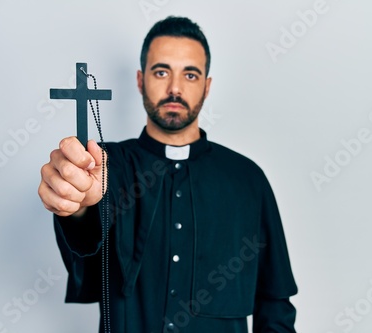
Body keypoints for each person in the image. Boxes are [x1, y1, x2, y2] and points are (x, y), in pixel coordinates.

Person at [38, 16, 298, 333]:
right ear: (140, 79)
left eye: (190, 74)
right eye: (161, 72)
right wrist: (77, 206)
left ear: (207, 85)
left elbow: (275, 304)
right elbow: (87, 242)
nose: (175, 88)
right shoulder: (104, 164)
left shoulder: (247, 180)